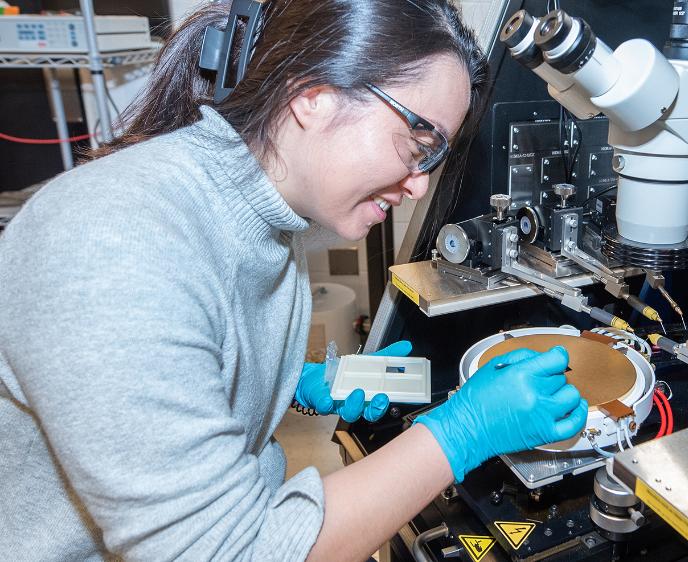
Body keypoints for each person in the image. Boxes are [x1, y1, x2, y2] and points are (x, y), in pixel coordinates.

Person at [0, 1, 588, 560]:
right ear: (314, 97)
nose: (418, 185)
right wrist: (460, 433)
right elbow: (232, 552)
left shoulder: (262, 215)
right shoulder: (114, 242)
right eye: (419, 144)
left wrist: (287, 384)